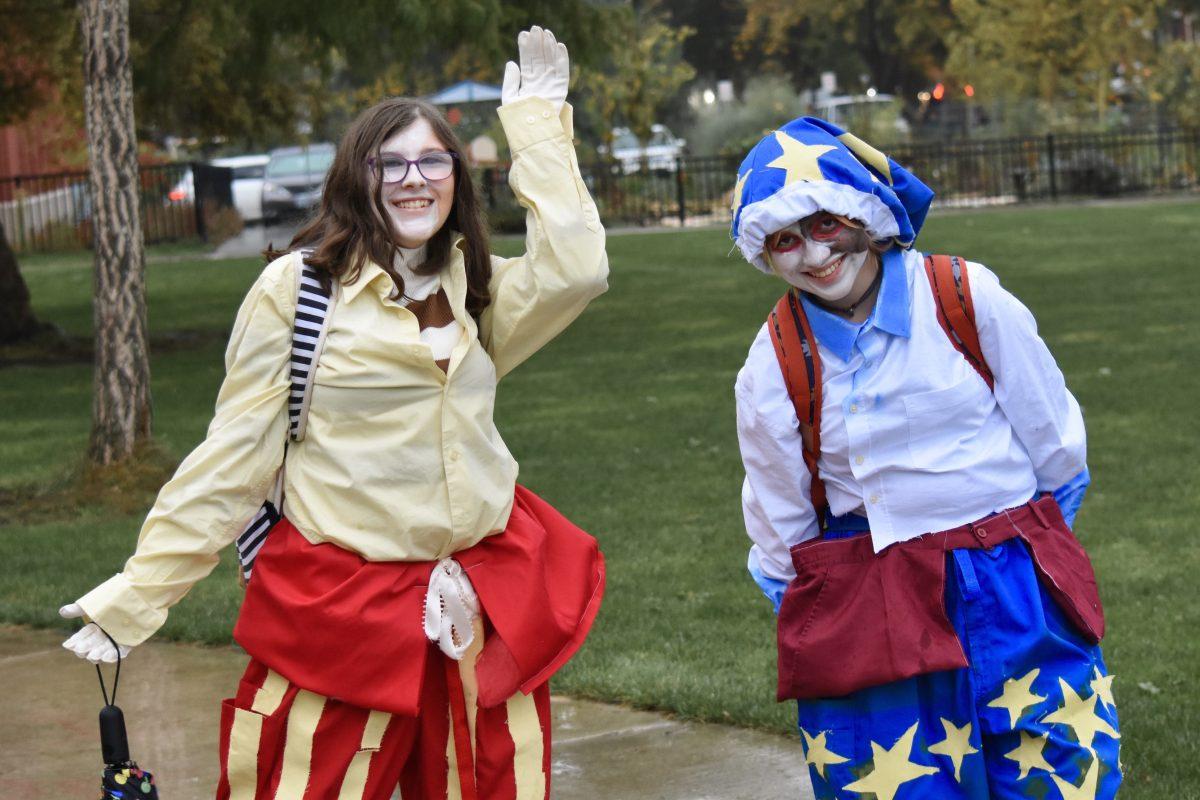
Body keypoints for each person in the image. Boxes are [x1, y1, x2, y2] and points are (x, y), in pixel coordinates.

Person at [61, 26, 607, 800]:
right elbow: (234, 460)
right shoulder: (296, 291)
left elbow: (579, 270)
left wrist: (539, 132)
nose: (413, 180)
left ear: (455, 176)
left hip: (475, 613)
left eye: (432, 161)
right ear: (359, 176)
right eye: (391, 163)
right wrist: (138, 595)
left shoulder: (471, 286)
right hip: (345, 620)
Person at [730, 117, 1120, 799]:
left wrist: (1025, 555)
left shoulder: (966, 296)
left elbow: (1055, 444)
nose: (815, 256)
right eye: (786, 241)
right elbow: (779, 522)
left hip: (1009, 579)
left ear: (863, 213)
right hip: (873, 600)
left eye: (826, 226)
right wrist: (826, 612)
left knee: (1055, 768)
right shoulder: (773, 363)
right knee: (897, 784)